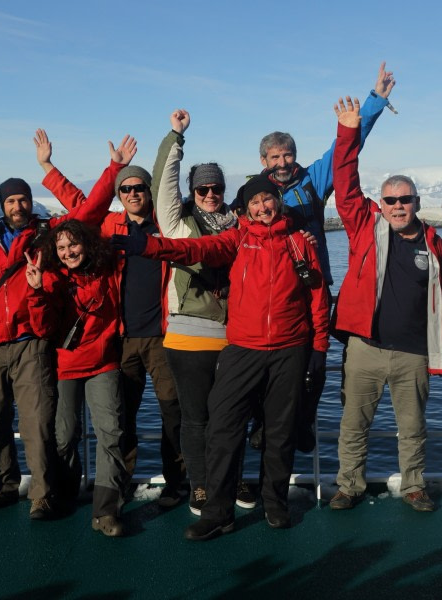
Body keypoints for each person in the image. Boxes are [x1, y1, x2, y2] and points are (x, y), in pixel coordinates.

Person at [111, 173, 330, 541]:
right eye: (255, 202)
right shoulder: (239, 239)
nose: (263, 207)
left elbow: (318, 298)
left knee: (279, 432)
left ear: (278, 200)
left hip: (290, 349)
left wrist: (319, 349)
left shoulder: (299, 242)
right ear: (245, 209)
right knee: (224, 428)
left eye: (268, 199)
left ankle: (275, 504)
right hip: (243, 349)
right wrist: (149, 247)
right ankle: (218, 512)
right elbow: (195, 250)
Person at [0, 133, 136, 521]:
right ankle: (30, 489)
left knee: (73, 430)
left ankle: (83, 504)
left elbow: (89, 208)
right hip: (9, 345)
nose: (17, 205)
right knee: (23, 428)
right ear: (2, 203)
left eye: (23, 198)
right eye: (11, 199)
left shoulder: (47, 236)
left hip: (46, 345)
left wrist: (109, 168)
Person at [245, 63, 395, 452]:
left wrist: (375, 100)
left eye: (287, 154)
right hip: (270, 295)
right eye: (274, 157)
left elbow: (349, 145)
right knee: (269, 366)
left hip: (313, 287)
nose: (282, 162)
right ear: (263, 160)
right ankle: (264, 424)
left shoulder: (312, 178)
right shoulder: (251, 196)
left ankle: (304, 422)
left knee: (316, 363)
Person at [36, 130, 185, 507]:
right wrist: (48, 167)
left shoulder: (165, 225)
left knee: (173, 411)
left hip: (163, 336)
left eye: (139, 187)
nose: (133, 193)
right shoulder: (108, 228)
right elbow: (81, 204)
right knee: (122, 416)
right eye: (126, 189)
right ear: (119, 195)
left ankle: (177, 482)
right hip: (121, 338)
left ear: (149, 192)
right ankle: (119, 484)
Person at [329, 97, 442, 512]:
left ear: (417, 203)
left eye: (405, 200)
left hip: (414, 352)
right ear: (380, 204)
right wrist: (349, 130)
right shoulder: (365, 226)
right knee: (353, 425)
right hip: (365, 347)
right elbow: (344, 183)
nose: (398, 207)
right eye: (391, 201)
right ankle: (349, 486)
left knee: (413, 427)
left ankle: (414, 486)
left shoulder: (435, 244)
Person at [151, 109, 256, 515]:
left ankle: (233, 479)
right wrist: (175, 138)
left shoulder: (238, 225)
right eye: (202, 188)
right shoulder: (178, 226)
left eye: (216, 188)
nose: (210, 193)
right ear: (192, 192)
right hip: (189, 334)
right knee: (196, 418)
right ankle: (200, 485)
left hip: (235, 336)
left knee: (232, 417)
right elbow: (164, 184)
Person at [24, 219, 128, 536]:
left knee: (110, 433)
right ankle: (67, 493)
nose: (69, 252)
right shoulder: (53, 278)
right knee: (64, 435)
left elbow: (99, 208)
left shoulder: (108, 269)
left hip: (103, 363)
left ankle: (106, 510)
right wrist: (37, 290)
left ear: (86, 243)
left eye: (74, 244)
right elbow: (43, 329)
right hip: (65, 366)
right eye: (62, 247)